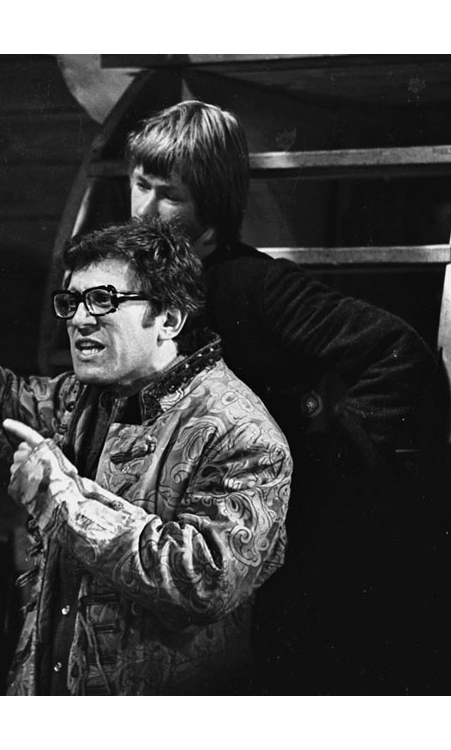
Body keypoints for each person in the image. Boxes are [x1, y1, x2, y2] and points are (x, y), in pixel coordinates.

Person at [0, 218, 292, 695]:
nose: (78, 319)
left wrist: (64, 503)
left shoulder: (242, 432)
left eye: (102, 300)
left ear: (169, 319)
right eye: (72, 301)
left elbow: (203, 581)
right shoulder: (86, 396)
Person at [123, 100, 448, 692]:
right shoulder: (138, 287)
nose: (144, 208)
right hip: (183, 557)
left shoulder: (256, 285)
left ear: (211, 205)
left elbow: (399, 352)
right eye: (140, 184)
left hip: (274, 564)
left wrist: (328, 458)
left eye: (169, 195)